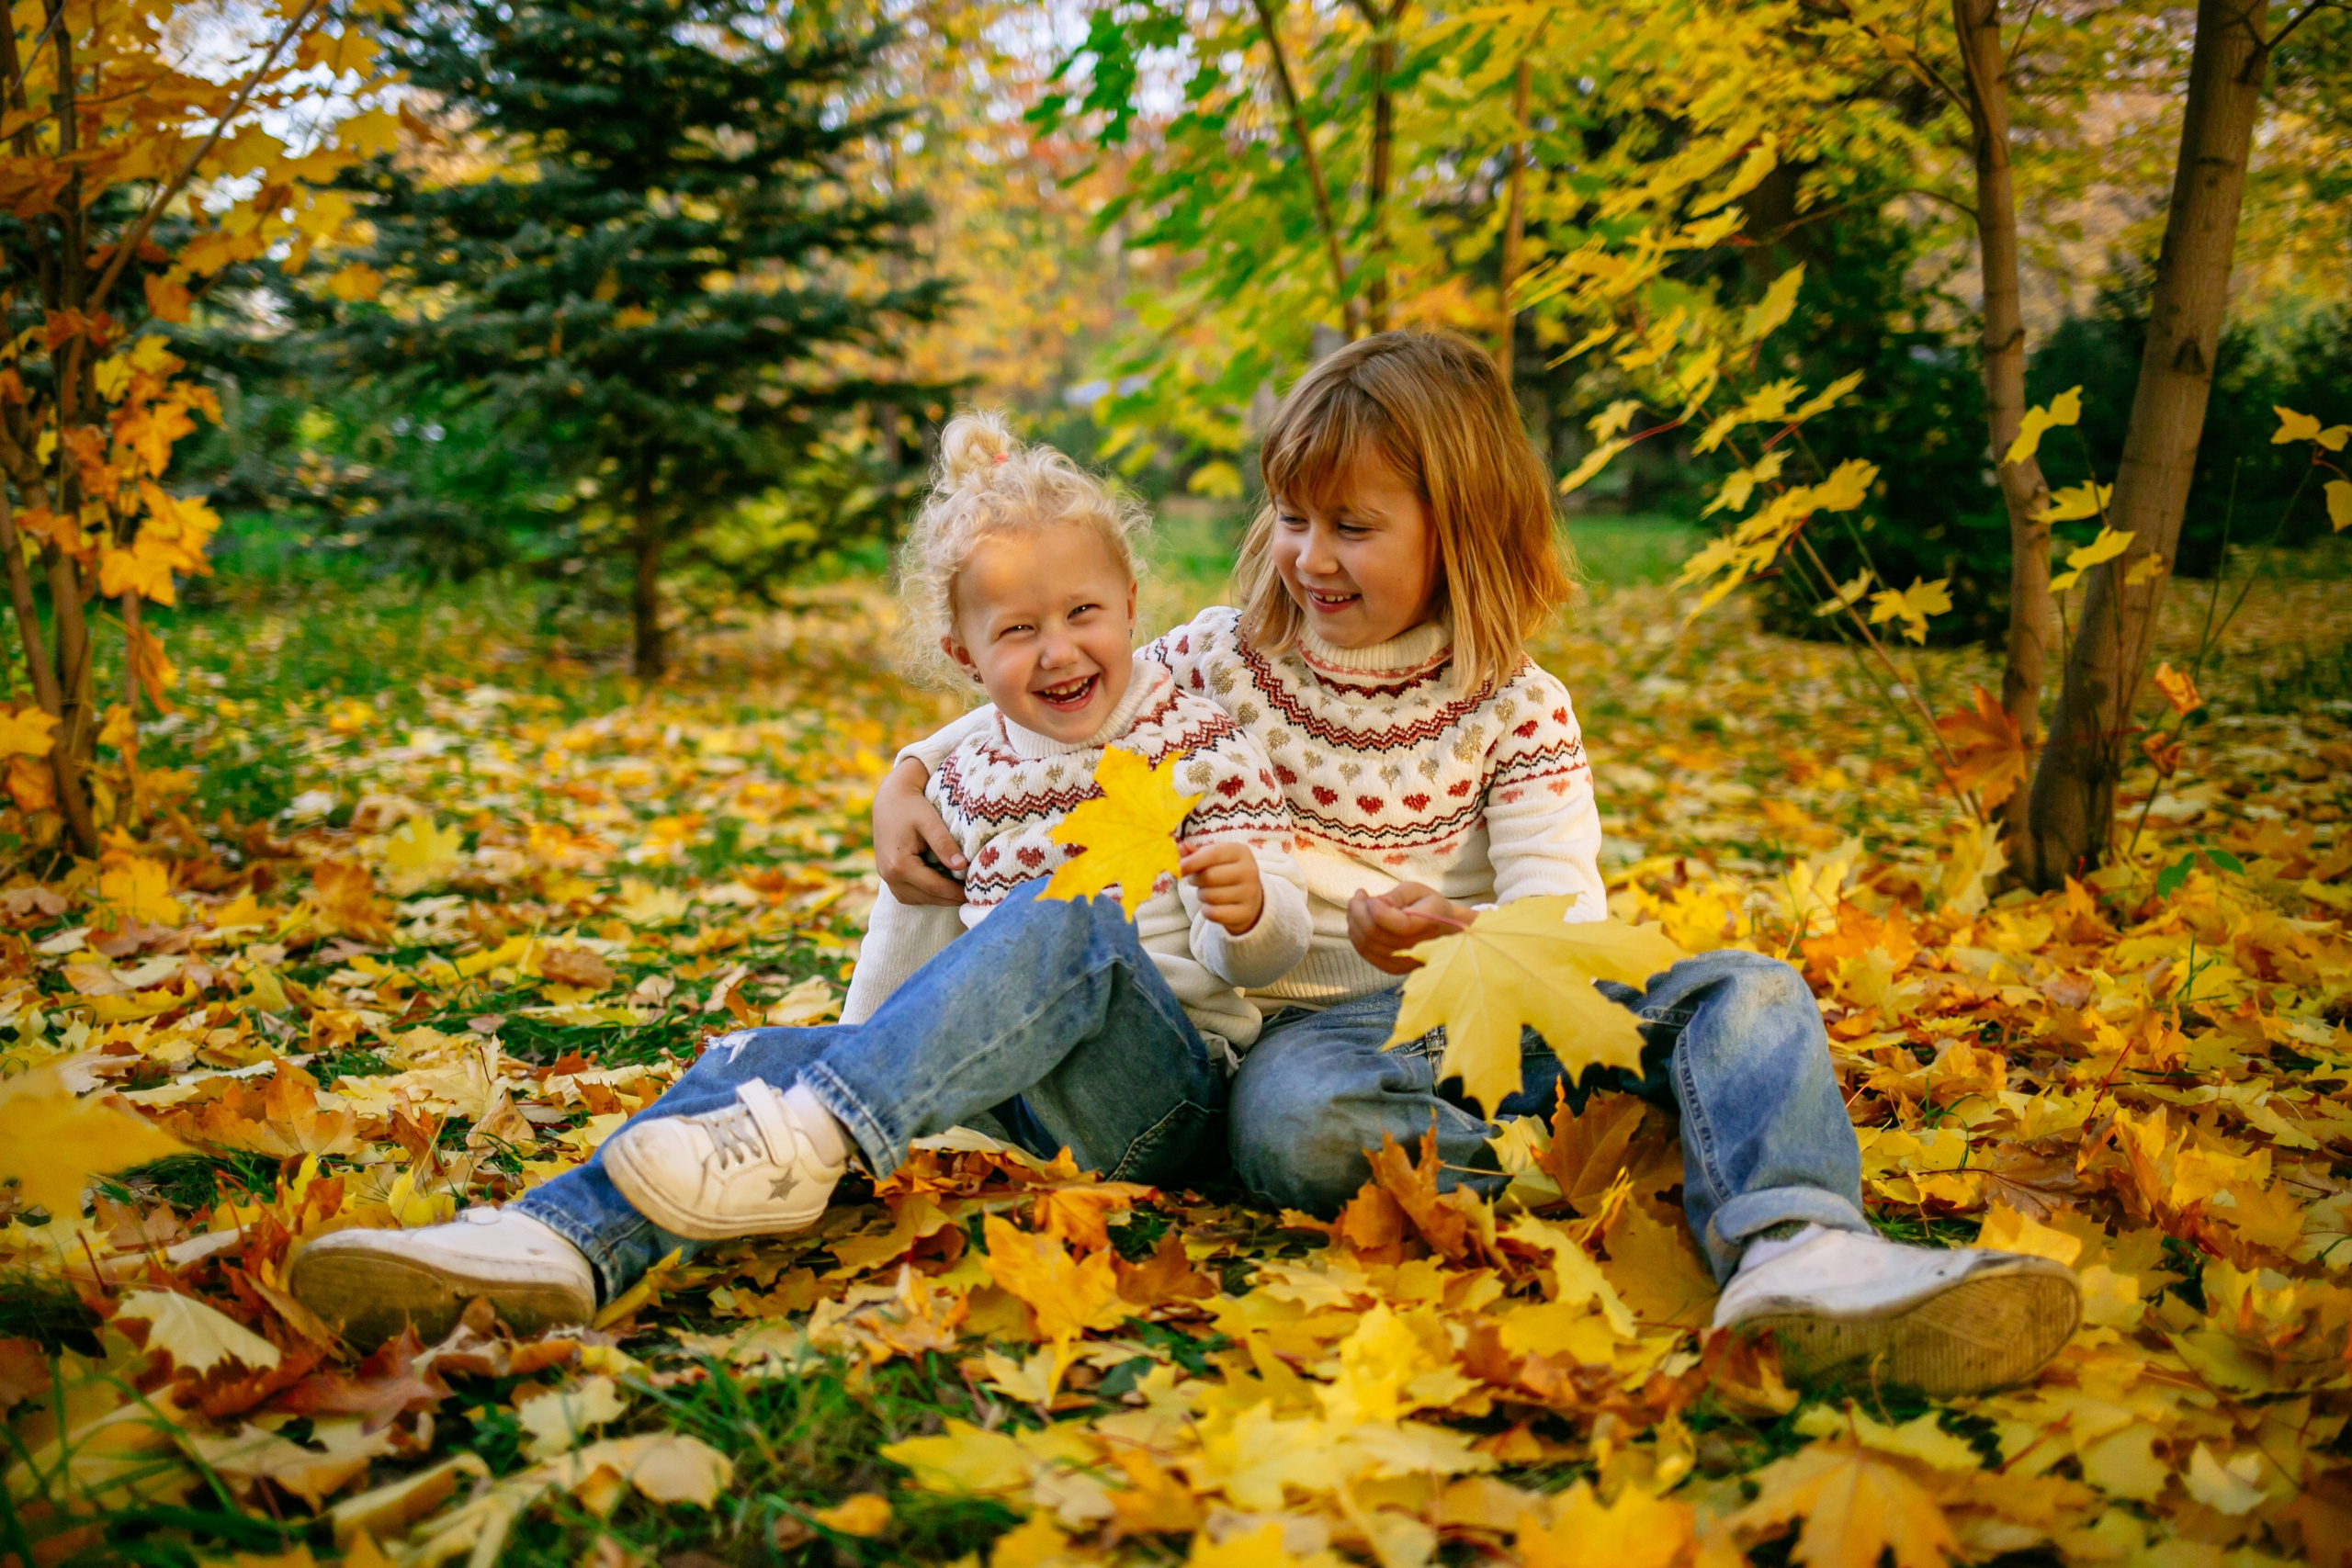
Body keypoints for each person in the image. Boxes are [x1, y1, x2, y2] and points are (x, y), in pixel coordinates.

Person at [873, 333, 2082, 1394]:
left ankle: (1801, 1244)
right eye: (1294, 518)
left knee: (1752, 991)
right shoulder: (1222, 661)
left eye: (1354, 526)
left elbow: (1560, 912)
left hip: (1506, 1003)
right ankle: (1596, 1160)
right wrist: (911, 776)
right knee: (1293, 1131)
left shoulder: (1518, 706)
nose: (1311, 557)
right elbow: (1052, 705)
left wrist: (1461, 941)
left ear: (1464, 528)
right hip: (1324, 1028)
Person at [290, 413, 1311, 1348]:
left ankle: (813, 1128)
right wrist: (851, 1056)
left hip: (1153, 1102)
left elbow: (1267, 954)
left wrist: (1251, 911)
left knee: (1068, 920)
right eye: (1016, 632)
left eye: (1084, 611)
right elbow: (909, 931)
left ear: (1131, 603)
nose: (1058, 650)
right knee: (761, 1055)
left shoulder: (1199, 738)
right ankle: (556, 1242)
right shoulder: (963, 772)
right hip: (1003, 1098)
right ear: (963, 655)